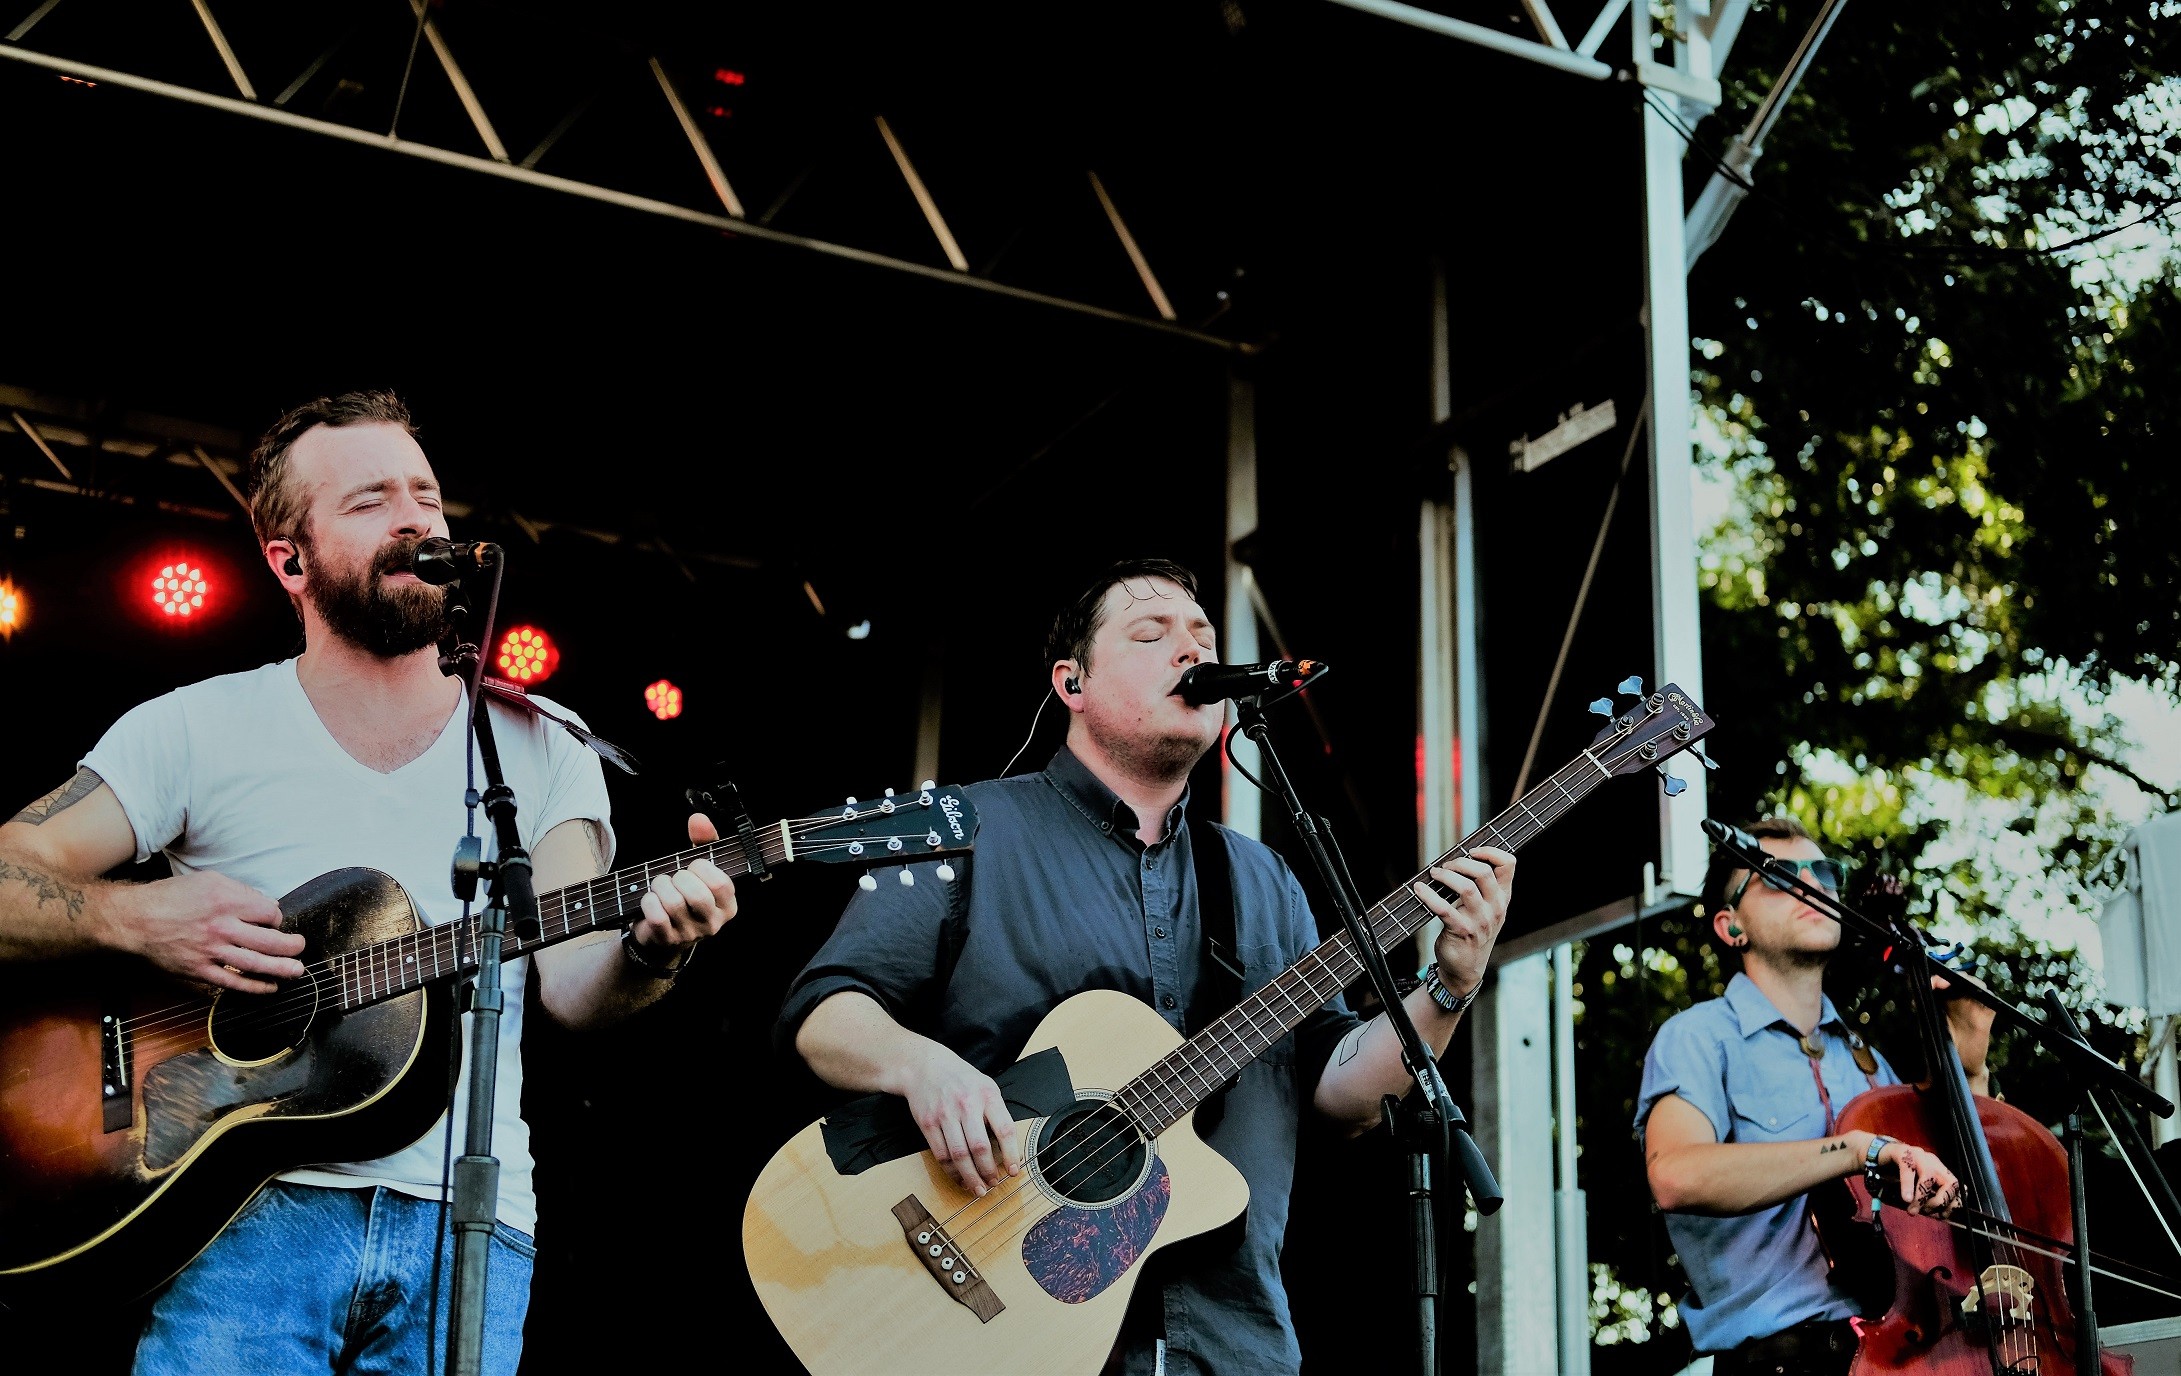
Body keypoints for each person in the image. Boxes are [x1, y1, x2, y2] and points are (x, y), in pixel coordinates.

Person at [0, 391, 737, 1374]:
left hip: (470, 1226)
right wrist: (137, 917)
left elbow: (574, 986)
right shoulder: (195, 727)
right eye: (369, 499)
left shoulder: (543, 741)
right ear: (289, 560)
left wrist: (655, 949)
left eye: (425, 495)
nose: (415, 518)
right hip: (241, 1216)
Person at [779, 559, 1517, 1376]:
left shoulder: (1264, 879)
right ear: (1073, 683)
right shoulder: (965, 827)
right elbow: (826, 1010)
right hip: (1008, 1335)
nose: (1191, 649)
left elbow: (1339, 1092)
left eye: (1201, 634)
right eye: (1150, 633)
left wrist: (1449, 985)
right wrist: (923, 1068)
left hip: (1230, 1344)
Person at [1637, 816, 1995, 1376]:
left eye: (1823, 872)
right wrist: (1854, 1151)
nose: (1811, 884)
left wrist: (1970, 1069)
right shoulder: (1699, 1037)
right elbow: (1676, 1176)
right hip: (1783, 1362)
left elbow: (1956, 1202)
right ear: (1732, 927)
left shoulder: (1867, 1061)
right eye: (1778, 876)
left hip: (1902, 1355)